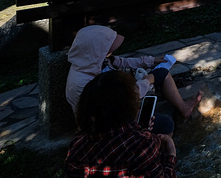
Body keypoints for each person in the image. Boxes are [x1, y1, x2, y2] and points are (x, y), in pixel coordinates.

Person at [66, 25, 201, 125]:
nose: (110, 53)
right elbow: (122, 100)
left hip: (118, 109)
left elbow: (120, 61)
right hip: (111, 125)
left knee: (162, 72)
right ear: (96, 51)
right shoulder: (84, 83)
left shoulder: (91, 62)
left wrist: (150, 61)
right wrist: (146, 82)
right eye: (107, 50)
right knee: (166, 124)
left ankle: (183, 108)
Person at [64, 70, 177, 177]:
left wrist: (141, 130)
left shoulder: (77, 143)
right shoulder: (141, 146)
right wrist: (170, 155)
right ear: (128, 104)